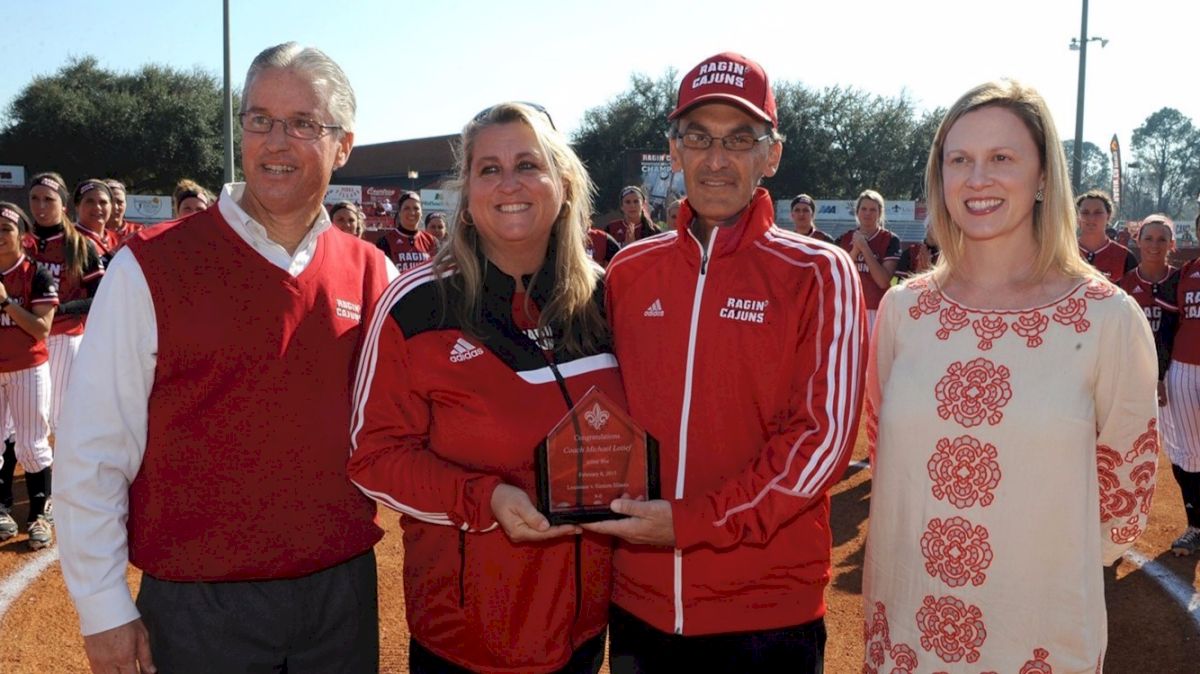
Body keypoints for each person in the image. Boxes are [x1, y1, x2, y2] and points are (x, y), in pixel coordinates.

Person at [56, 42, 394, 674]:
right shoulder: (148, 267)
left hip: (342, 597)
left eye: (301, 124)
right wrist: (102, 609)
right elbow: (93, 448)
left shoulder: (372, 270)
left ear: (343, 145)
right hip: (197, 609)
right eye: (259, 119)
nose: (275, 142)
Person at [863, 79, 1157, 672]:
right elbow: (884, 451)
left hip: (1039, 634)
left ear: (1044, 176)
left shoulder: (1106, 317)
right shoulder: (904, 311)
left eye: (1002, 158)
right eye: (960, 160)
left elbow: (1124, 497)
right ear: (939, 175)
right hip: (905, 632)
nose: (978, 178)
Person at [592, 52, 866, 673]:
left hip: (765, 615)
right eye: (699, 138)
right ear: (675, 151)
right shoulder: (630, 272)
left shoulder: (820, 272)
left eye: (740, 139)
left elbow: (818, 445)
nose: (716, 159)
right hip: (640, 604)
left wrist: (690, 524)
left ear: (771, 155)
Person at [349, 101, 618, 673]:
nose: (509, 183)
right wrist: (485, 498)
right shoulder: (418, 306)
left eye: (528, 163)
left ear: (563, 183)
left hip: (584, 632)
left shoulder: (606, 299)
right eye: (488, 169)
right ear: (467, 195)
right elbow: (373, 459)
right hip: (465, 641)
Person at [25, 172, 105, 435]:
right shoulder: (19, 243)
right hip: (24, 336)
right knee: (22, 417)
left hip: (64, 336)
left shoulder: (80, 245)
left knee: (60, 416)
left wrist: (59, 309)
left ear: (64, 205)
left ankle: (61, 475)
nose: (41, 206)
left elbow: (99, 298)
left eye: (49, 199)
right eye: (35, 198)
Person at [0, 203, 58, 550]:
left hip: (27, 366)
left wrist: (6, 303)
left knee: (32, 443)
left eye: (5, 229)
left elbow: (41, 329)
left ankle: (40, 512)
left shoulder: (37, 274)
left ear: (22, 236)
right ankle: (1, 509)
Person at [1159, 216, 1200, 556]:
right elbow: (1169, 325)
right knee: (1186, 452)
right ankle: (1195, 523)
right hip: (1184, 370)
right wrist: (1161, 373)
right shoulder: (1186, 274)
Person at [838, 189, 900, 331]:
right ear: (857, 211)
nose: (867, 213)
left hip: (876, 308)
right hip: (849, 307)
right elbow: (841, 276)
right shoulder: (844, 238)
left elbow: (883, 281)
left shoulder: (889, 239)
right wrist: (855, 250)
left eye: (873, 209)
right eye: (864, 209)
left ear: (880, 213)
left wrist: (865, 248)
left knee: (873, 353)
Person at [1076, 189, 1136, 282]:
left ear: (1108, 216)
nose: (1091, 218)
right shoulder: (1064, 253)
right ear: (1077, 216)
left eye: (1098, 212)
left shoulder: (1124, 256)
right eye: (1085, 213)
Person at [375, 190, 437, 272]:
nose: (412, 212)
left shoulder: (432, 241)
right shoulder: (385, 242)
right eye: (406, 208)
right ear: (399, 212)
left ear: (421, 212)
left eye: (416, 208)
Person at [73, 179, 120, 263]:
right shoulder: (69, 239)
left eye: (103, 202)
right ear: (77, 206)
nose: (97, 207)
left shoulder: (117, 240)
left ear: (111, 206)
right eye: (90, 202)